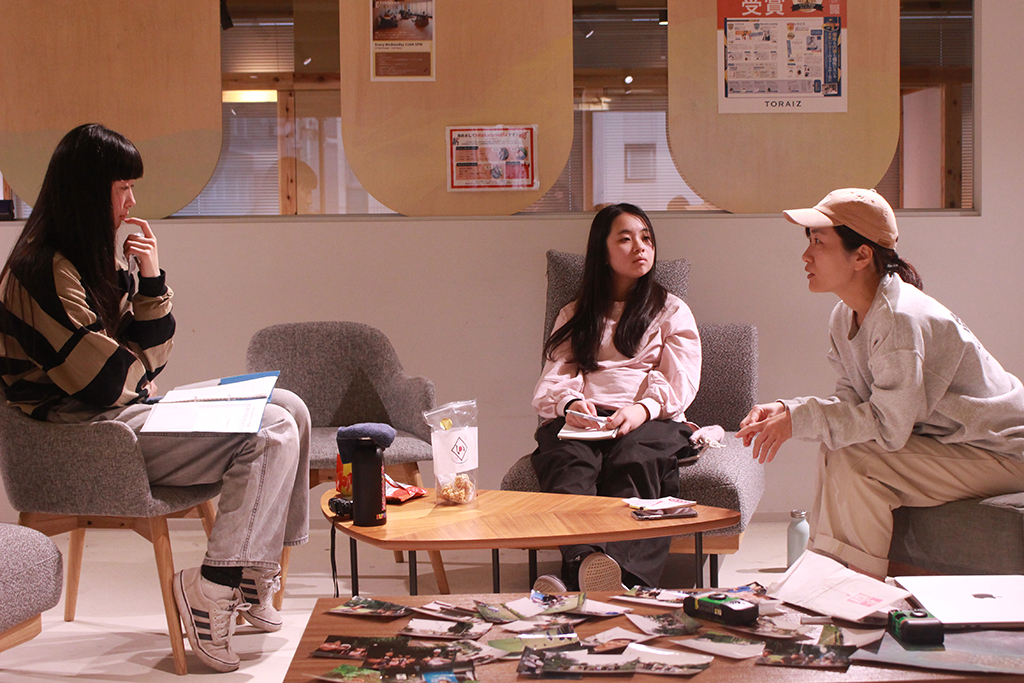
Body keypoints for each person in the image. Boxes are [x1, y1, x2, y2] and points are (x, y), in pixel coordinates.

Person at [0, 124, 310, 672]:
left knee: (291, 408)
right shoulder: (39, 271)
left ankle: (251, 571)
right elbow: (103, 383)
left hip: (120, 416)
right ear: (88, 191)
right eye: (123, 188)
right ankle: (213, 586)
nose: (132, 202)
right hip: (83, 438)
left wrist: (149, 278)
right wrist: (136, 374)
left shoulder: (87, 260)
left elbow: (147, 359)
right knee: (270, 430)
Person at [737, 188, 1024, 578]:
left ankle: (854, 589)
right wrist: (789, 411)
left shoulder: (900, 318)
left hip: (1003, 453)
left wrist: (799, 420)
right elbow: (854, 406)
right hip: (955, 444)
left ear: (861, 255)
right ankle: (831, 578)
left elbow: (889, 427)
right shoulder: (845, 316)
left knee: (860, 461)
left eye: (819, 242)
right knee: (839, 450)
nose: (806, 255)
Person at [529, 203, 702, 591]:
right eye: (625, 239)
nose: (640, 247)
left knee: (635, 458)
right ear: (602, 251)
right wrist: (570, 405)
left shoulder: (671, 311)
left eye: (646, 238)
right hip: (587, 420)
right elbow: (556, 376)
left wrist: (642, 410)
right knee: (567, 461)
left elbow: (680, 379)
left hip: (651, 420)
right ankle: (585, 562)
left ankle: (621, 578)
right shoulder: (576, 314)